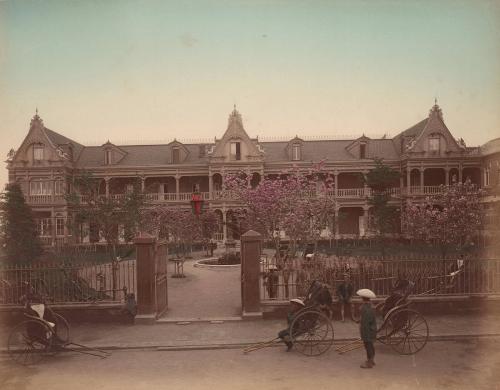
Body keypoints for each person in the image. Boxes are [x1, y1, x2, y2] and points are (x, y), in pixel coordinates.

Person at [357, 288, 377, 369]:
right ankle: (371, 360)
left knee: (368, 345)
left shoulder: (365, 308)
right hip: (371, 328)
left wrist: (362, 332)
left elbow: (365, 322)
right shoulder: (370, 306)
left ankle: (369, 362)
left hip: (367, 330)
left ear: (363, 298)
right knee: (370, 345)